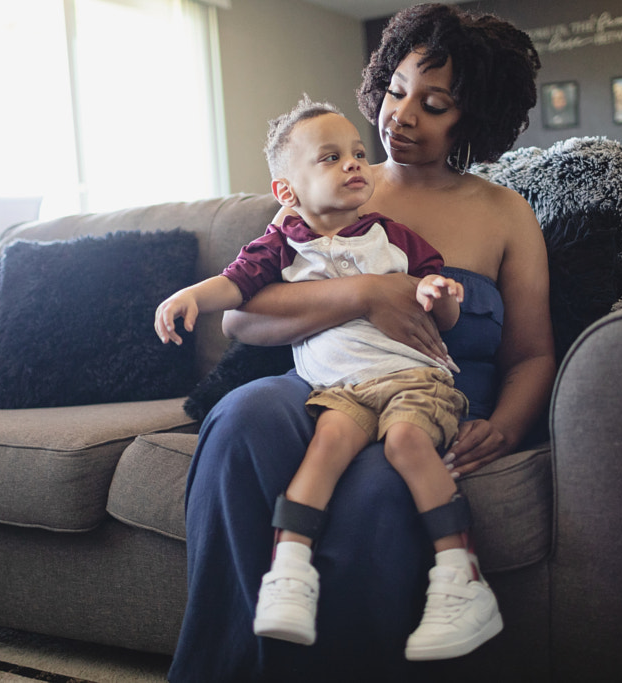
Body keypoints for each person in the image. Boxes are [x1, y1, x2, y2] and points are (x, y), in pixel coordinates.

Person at [166, 5, 555, 681]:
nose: (401, 116)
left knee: (377, 488)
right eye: (397, 91)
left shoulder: (505, 214)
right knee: (238, 421)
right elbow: (241, 320)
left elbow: (532, 353)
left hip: (430, 392)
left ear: (473, 117)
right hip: (324, 380)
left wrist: (507, 425)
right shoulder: (334, 182)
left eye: (433, 105)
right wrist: (365, 293)